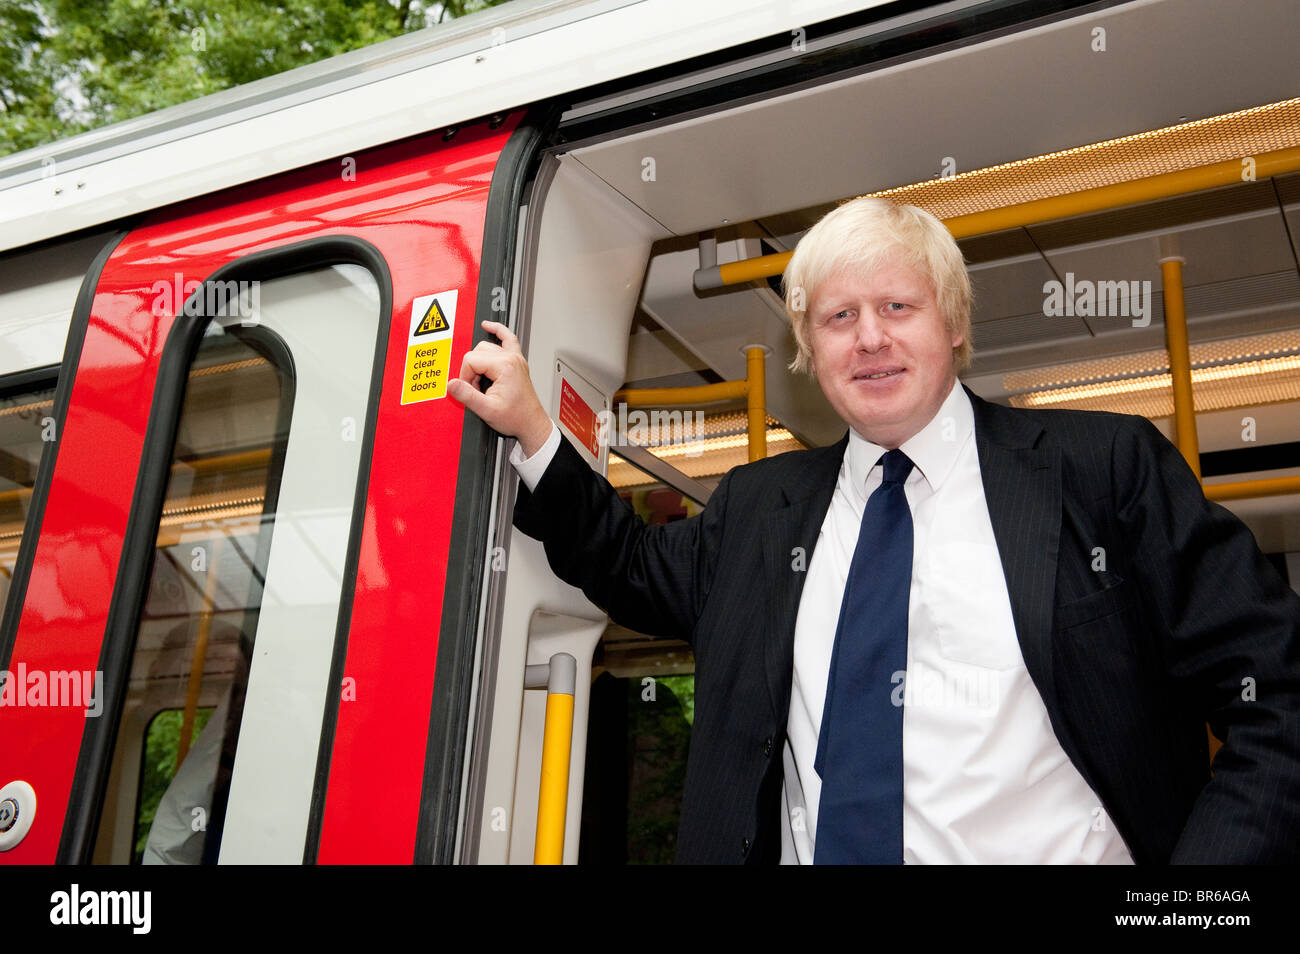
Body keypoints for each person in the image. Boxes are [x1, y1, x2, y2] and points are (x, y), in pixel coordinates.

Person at [448, 197, 1300, 864]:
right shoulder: (757, 510)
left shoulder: (1104, 470)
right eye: (839, 317)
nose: (871, 340)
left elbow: (1278, 699)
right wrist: (533, 430)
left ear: (955, 325)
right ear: (809, 350)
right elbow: (628, 563)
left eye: (899, 304)